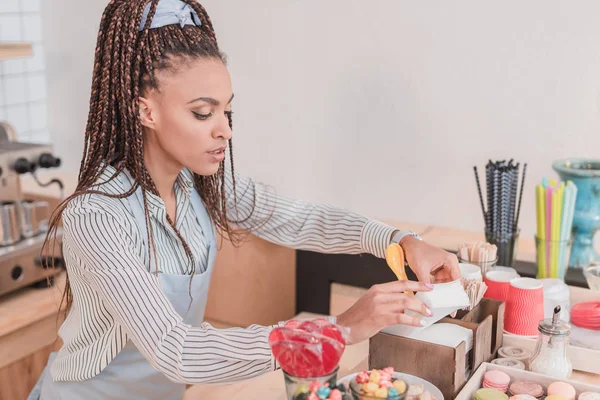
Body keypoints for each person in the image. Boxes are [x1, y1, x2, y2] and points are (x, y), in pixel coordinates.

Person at [29, 1, 460, 399]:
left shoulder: (197, 183)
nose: (224, 131)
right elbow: (174, 349)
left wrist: (402, 240)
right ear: (146, 111)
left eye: (226, 112)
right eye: (203, 113)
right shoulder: (96, 215)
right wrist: (338, 329)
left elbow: (301, 220)